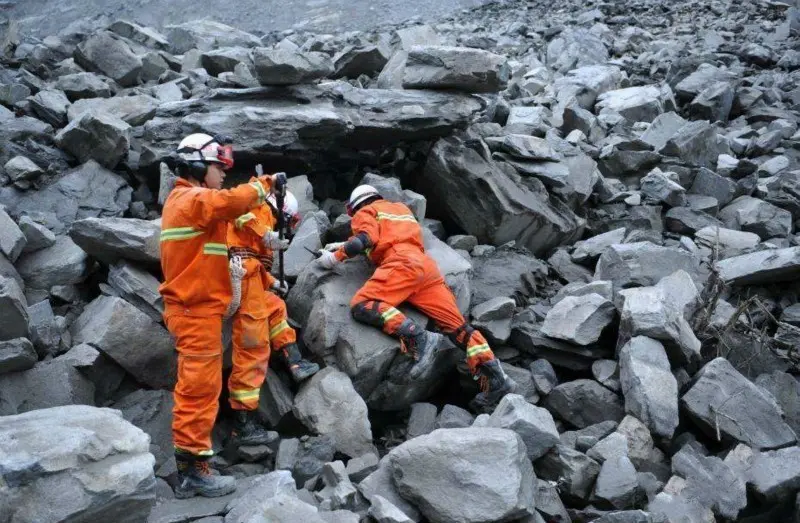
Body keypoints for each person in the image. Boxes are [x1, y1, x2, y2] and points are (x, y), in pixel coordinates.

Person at [159, 133, 288, 499]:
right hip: (193, 310)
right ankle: (192, 473)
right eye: (218, 167)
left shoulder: (193, 202)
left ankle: (196, 465)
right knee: (198, 391)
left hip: (198, 310)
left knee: (203, 387)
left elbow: (233, 215)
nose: (221, 174)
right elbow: (231, 201)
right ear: (199, 167)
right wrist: (264, 185)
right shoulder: (191, 198)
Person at [316, 185, 515, 411]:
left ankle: (419, 339)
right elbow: (388, 235)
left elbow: (364, 239)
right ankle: (498, 379)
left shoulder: (365, 213)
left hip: (400, 264)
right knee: (459, 328)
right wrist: (338, 247)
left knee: (362, 304)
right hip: (426, 269)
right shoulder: (400, 209)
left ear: (355, 207)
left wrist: (334, 259)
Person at [226, 183, 320, 395]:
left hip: (247, 278)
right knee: (253, 348)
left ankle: (295, 362)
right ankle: (243, 421)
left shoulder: (260, 217)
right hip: (237, 278)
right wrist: (266, 235)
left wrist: (272, 283)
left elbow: (252, 264)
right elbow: (240, 217)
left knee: (276, 306)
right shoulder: (258, 208)